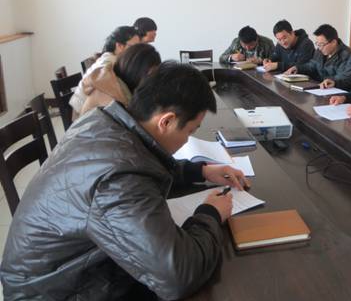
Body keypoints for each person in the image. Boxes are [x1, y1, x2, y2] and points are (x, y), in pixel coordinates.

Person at [0, 62, 250, 300]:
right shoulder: (120, 180)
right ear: (166, 121)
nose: (187, 139)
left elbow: (139, 161)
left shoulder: (103, 121)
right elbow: (177, 276)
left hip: (58, 274)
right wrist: (210, 213)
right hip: (56, 292)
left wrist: (201, 171)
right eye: (190, 131)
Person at [70, 26, 140, 117]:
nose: (137, 52)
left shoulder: (113, 58)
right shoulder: (108, 62)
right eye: (134, 48)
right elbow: (109, 86)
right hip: (82, 115)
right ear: (119, 46)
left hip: (91, 110)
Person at [78, 43, 162, 117]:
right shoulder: (114, 96)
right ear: (136, 70)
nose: (151, 81)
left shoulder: (116, 82)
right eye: (150, 75)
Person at [285, 24, 351, 84]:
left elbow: (343, 78)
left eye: (322, 44)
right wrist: (298, 68)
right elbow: (312, 66)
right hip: (319, 86)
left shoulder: (346, 55)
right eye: (317, 44)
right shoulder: (319, 51)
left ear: (334, 42)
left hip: (335, 89)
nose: (320, 48)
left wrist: (331, 82)